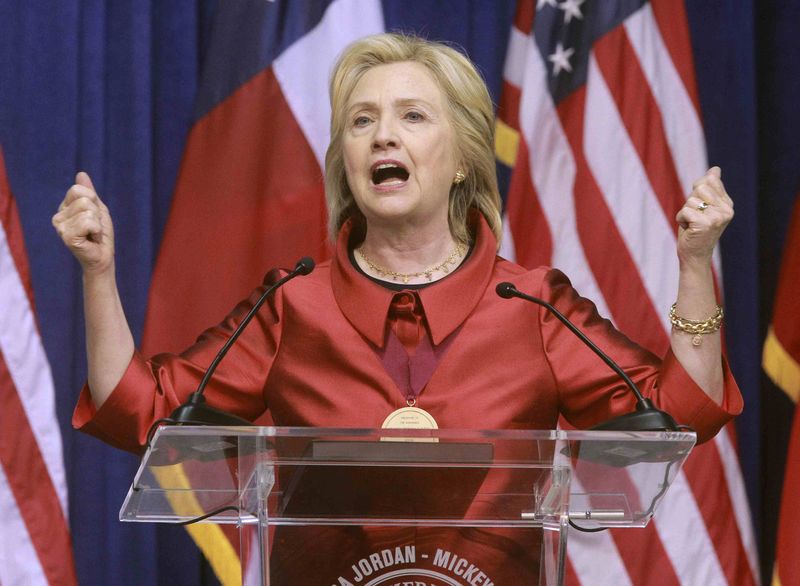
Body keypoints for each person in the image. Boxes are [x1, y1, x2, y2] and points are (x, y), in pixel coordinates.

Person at [53, 33, 740, 584]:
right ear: (345, 161)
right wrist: (98, 273)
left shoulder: (531, 305)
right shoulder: (293, 304)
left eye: (412, 116)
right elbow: (137, 410)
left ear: (464, 159)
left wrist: (693, 265)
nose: (383, 136)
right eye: (362, 121)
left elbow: (679, 414)